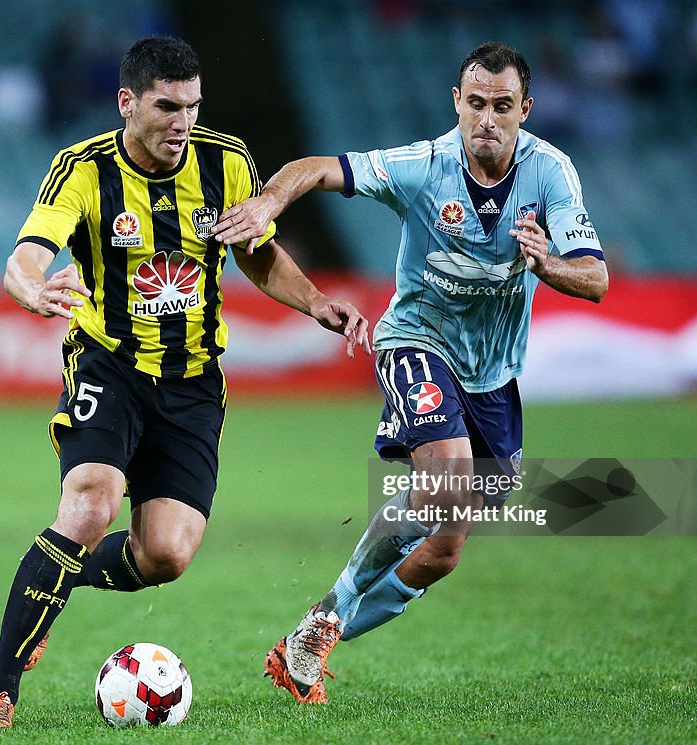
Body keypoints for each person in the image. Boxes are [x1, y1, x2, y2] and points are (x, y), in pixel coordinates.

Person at [0, 35, 370, 730]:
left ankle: (52, 583)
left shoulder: (227, 160)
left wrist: (314, 301)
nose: (183, 121)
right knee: (90, 504)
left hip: (193, 380)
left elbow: (258, 255)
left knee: (167, 554)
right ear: (128, 102)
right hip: (108, 362)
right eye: (167, 106)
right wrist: (33, 291)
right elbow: (23, 257)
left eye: (192, 105)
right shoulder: (83, 169)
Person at [214, 41, 609, 703]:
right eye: (475, 102)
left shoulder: (551, 174)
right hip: (413, 341)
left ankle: (312, 633)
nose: (486, 117)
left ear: (525, 109)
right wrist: (269, 204)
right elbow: (315, 167)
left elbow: (594, 278)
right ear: (457, 102)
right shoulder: (424, 165)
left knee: (444, 549)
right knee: (449, 480)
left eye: (502, 106)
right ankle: (330, 610)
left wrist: (547, 266)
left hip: (493, 377)